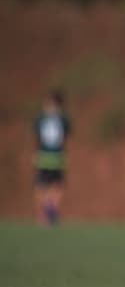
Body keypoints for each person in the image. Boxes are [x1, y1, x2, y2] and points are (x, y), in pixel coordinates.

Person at [33, 89, 69, 226]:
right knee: (56, 185)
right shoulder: (62, 119)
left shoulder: (41, 118)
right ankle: (49, 210)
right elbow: (63, 138)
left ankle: (45, 212)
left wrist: (36, 154)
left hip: (44, 155)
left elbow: (37, 138)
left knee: (43, 185)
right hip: (55, 156)